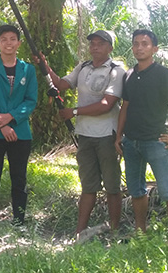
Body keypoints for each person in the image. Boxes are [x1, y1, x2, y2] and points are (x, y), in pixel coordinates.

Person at [39, 30, 125, 237]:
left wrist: (73, 112)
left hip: (106, 135)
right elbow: (61, 84)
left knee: (112, 185)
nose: (95, 47)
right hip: (85, 135)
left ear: (110, 48)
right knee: (88, 185)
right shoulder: (83, 67)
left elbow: (107, 104)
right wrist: (45, 65)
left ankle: (114, 228)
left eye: (101, 43)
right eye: (92, 43)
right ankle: (80, 231)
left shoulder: (116, 71)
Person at [115, 29, 168, 237]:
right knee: (136, 190)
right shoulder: (129, 75)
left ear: (154, 49)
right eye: (136, 43)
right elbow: (125, 107)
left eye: (145, 44)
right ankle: (140, 232)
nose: (139, 47)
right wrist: (119, 136)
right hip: (131, 143)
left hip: (156, 142)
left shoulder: (163, 75)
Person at [0, 24, 38, 229]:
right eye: (3, 39)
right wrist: (1, 125)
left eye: (13, 39)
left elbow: (31, 100)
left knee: (19, 178)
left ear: (19, 43)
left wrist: (11, 118)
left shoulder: (28, 69)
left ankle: (19, 221)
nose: (8, 43)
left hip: (20, 131)